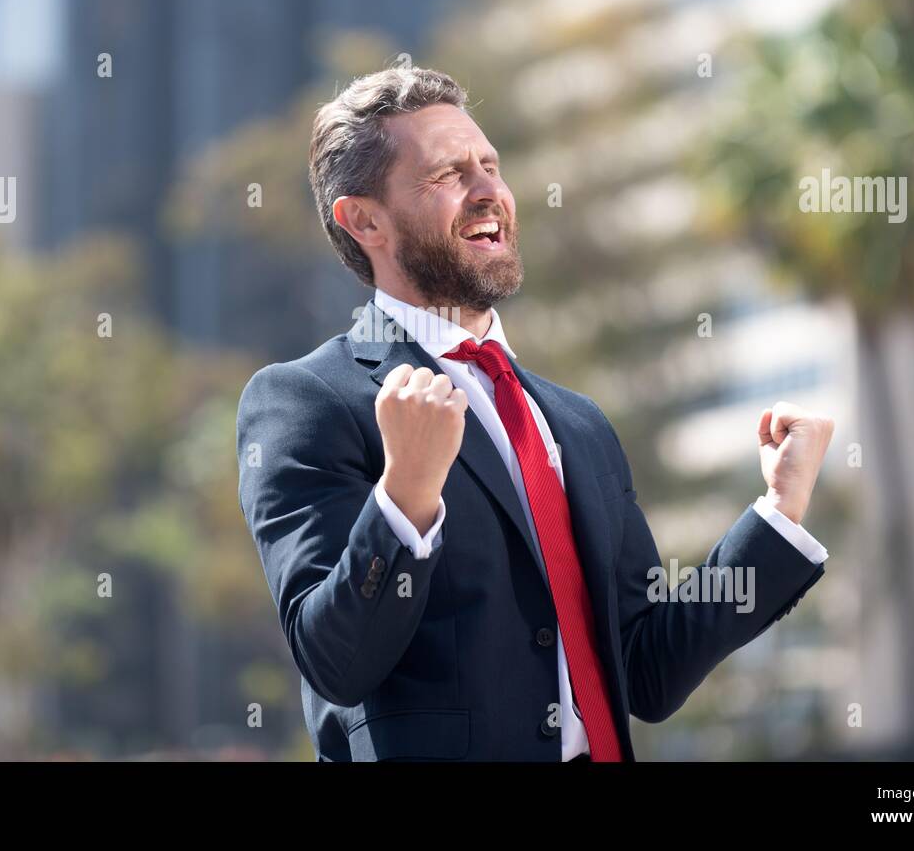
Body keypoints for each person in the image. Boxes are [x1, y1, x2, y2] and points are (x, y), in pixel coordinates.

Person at [236, 66, 834, 761]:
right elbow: (337, 662)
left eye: (490, 166)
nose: (488, 190)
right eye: (447, 175)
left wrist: (778, 513)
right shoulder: (308, 401)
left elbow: (646, 670)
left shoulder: (577, 424)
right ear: (364, 219)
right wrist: (405, 498)